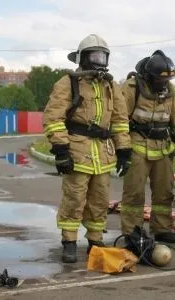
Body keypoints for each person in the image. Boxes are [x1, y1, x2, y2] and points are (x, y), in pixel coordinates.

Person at [43, 34, 131, 263]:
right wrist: (61, 150)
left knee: (100, 200)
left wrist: (124, 150)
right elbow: (53, 117)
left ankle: (95, 239)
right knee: (74, 198)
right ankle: (69, 241)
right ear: (82, 58)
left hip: (103, 152)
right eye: (94, 56)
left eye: (103, 56)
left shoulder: (111, 85)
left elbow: (120, 120)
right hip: (77, 150)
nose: (99, 61)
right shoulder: (68, 82)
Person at [120, 50, 175, 243]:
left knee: (164, 192)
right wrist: (122, 147)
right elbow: (120, 118)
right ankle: (132, 232)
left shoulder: (171, 90)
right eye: (159, 80)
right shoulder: (133, 87)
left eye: (166, 80)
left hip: (163, 146)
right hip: (137, 145)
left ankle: (162, 228)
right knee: (134, 193)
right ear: (150, 76)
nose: (163, 84)